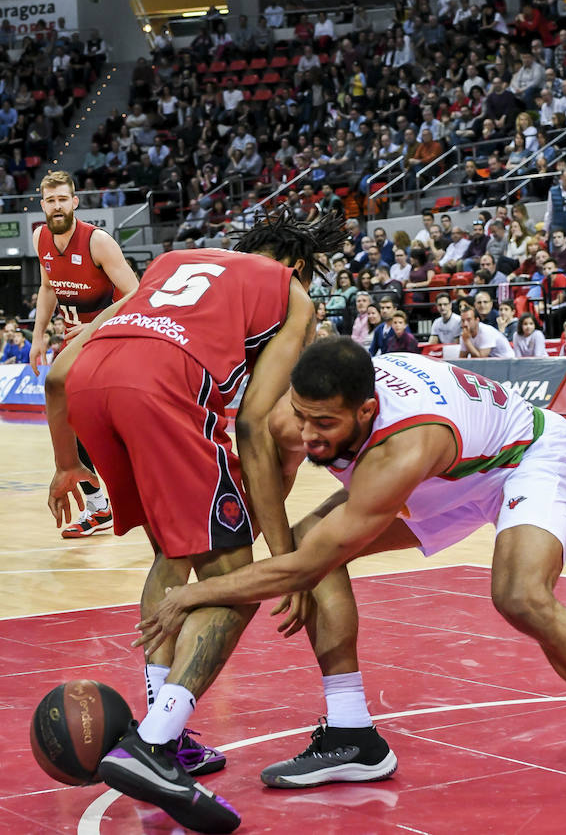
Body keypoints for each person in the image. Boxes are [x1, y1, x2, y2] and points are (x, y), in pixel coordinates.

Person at [134, 337, 566, 794]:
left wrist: (198, 591)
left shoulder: (402, 449)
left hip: (523, 458)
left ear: (367, 411)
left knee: (521, 597)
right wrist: (277, 557)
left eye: (325, 424)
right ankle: (352, 733)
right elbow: (278, 486)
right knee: (307, 542)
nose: (309, 435)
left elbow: (310, 566)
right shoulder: (293, 420)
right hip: (449, 472)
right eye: (301, 415)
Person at [44, 209, 345, 832]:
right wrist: (286, 562)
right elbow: (257, 425)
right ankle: (153, 746)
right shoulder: (289, 291)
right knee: (232, 574)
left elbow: (56, 374)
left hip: (93, 387)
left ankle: (163, 730)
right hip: (160, 388)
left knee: (171, 554)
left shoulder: (170, 264)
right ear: (295, 265)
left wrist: (65, 466)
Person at [30, 171, 139, 538]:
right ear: (42, 203)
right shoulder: (39, 237)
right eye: (50, 200)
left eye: (63, 199)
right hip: (74, 344)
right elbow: (48, 288)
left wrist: (93, 329)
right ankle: (98, 505)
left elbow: (135, 296)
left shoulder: (98, 242)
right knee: (72, 422)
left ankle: (113, 500)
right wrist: (37, 337)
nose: (57, 205)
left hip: (109, 339)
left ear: (74, 202)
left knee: (88, 421)